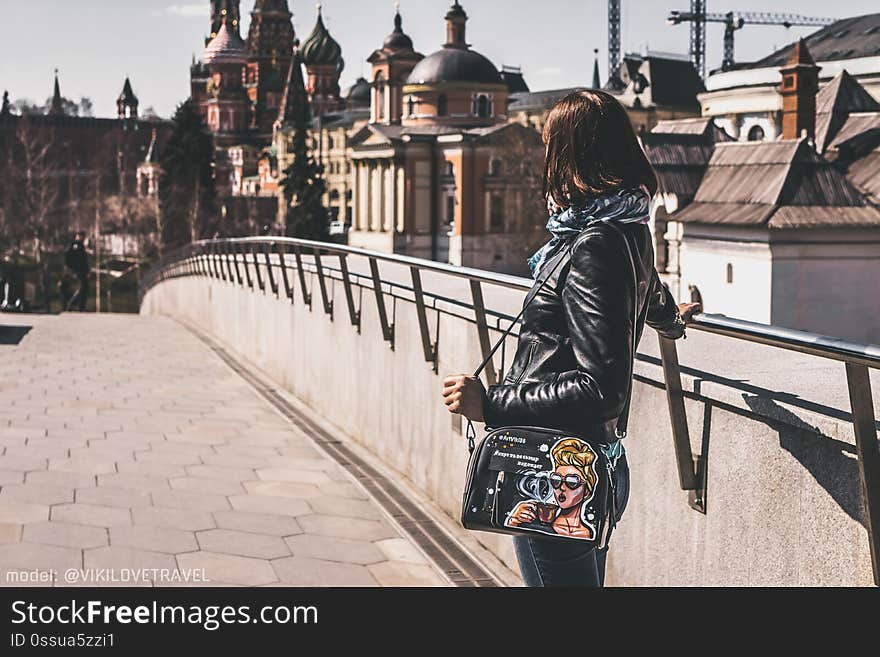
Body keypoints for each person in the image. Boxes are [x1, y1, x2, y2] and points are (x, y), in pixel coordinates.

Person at [441, 90, 701, 587]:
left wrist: (490, 403)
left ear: (569, 155)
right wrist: (672, 317)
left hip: (557, 472)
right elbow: (646, 290)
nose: (544, 159)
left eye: (549, 146)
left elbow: (601, 387)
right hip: (591, 463)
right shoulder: (625, 228)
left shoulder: (592, 244)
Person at [64, 232, 89, 312]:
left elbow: (84, 260)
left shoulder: (80, 245)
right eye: (82, 237)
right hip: (78, 270)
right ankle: (73, 304)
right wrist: (73, 270)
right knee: (83, 288)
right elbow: (75, 259)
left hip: (81, 270)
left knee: (84, 289)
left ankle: (81, 306)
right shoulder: (76, 245)